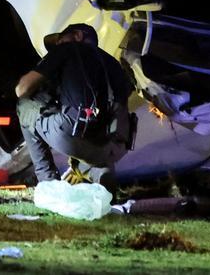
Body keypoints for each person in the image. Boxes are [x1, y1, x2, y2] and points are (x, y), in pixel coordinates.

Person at [14, 23, 134, 190]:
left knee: (24, 107)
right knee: (89, 137)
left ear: (77, 35)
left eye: (61, 39)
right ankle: (101, 173)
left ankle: (48, 183)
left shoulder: (68, 49)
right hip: (116, 145)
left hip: (77, 135)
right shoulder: (113, 64)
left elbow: (22, 89)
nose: (58, 45)